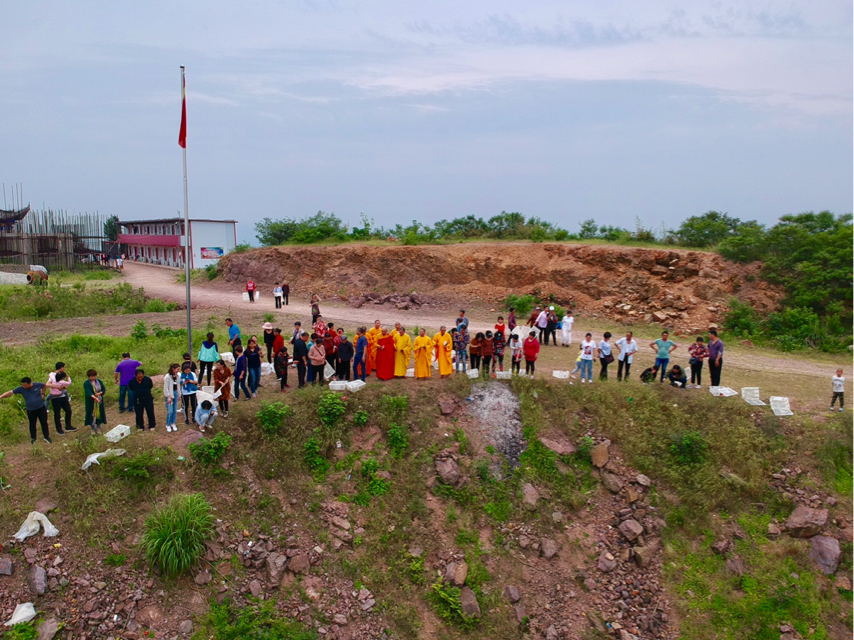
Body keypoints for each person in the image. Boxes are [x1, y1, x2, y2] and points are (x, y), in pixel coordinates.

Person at [0, 377, 66, 444]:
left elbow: (44, 385)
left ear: (30, 383)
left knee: (44, 423)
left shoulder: (37, 385)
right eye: (22, 385)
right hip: (30, 410)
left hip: (41, 408)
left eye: (25, 385)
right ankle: (33, 438)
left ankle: (46, 437)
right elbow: (10, 392)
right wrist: (1, 396)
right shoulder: (21, 389)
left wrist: (43, 393)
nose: (24, 386)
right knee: (32, 424)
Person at [47, 362, 76, 434]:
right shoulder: (53, 375)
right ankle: (59, 429)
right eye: (64, 367)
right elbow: (47, 384)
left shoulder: (62, 375)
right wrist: (58, 387)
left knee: (68, 411)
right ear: (61, 368)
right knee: (57, 413)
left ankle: (68, 426)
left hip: (63, 396)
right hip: (55, 398)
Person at [163, 363, 181, 433]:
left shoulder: (178, 376)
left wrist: (179, 394)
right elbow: (166, 388)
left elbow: (178, 386)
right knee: (170, 411)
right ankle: (168, 424)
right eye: (177, 369)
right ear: (173, 369)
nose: (178, 371)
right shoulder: (167, 377)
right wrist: (168, 396)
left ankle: (173, 423)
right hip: (170, 395)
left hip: (175, 393)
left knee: (174, 410)